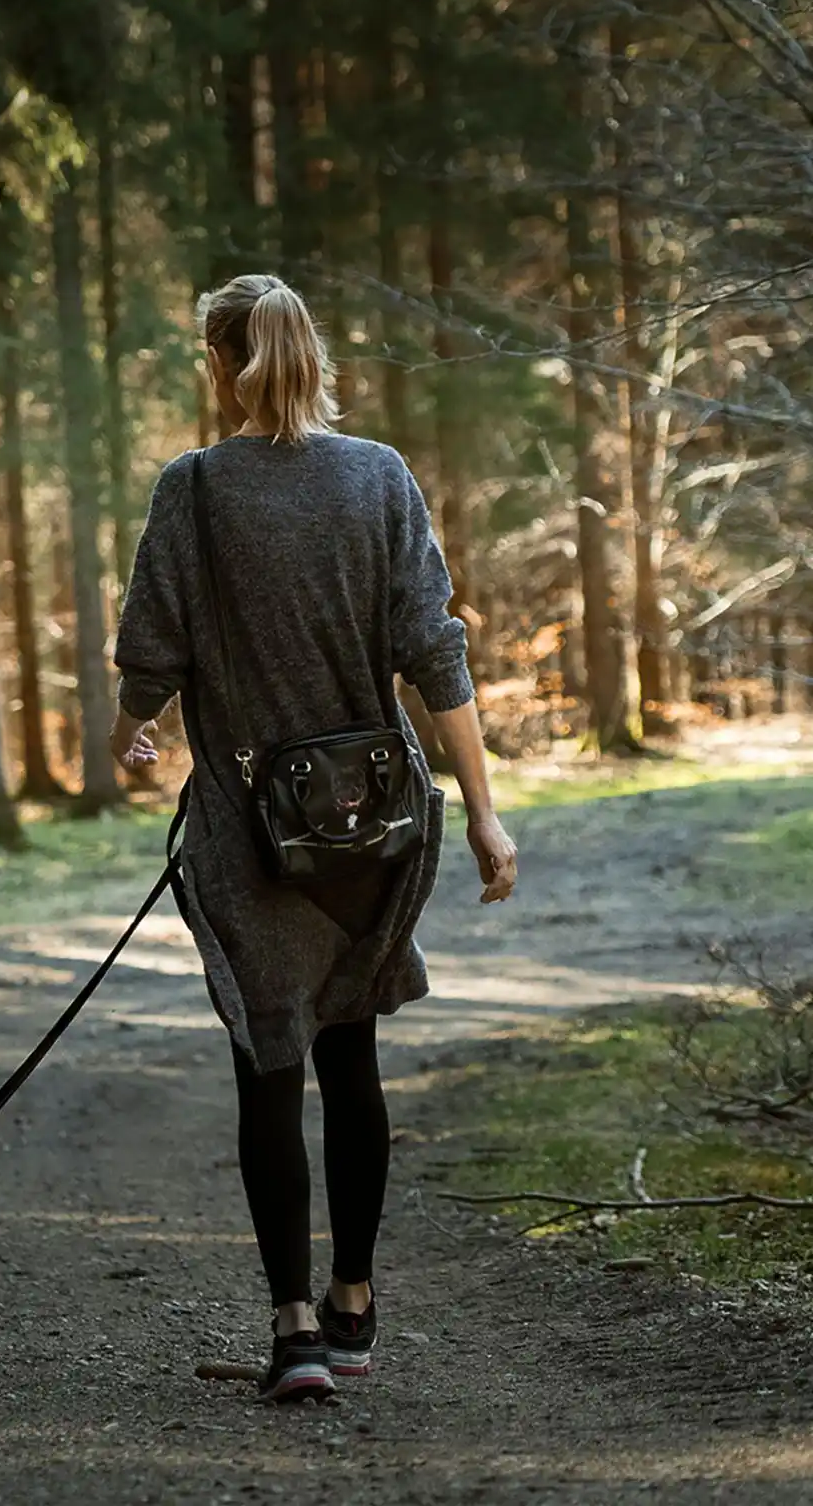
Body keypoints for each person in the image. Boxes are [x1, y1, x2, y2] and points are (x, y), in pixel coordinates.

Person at [109, 273, 519, 1403]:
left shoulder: (191, 491)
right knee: (352, 1059)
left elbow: (150, 653)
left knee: (266, 1065)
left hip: (249, 827)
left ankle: (290, 1327)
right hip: (377, 821)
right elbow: (434, 654)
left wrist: (129, 739)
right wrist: (481, 809)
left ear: (216, 362)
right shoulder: (378, 477)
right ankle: (351, 1304)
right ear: (309, 357)